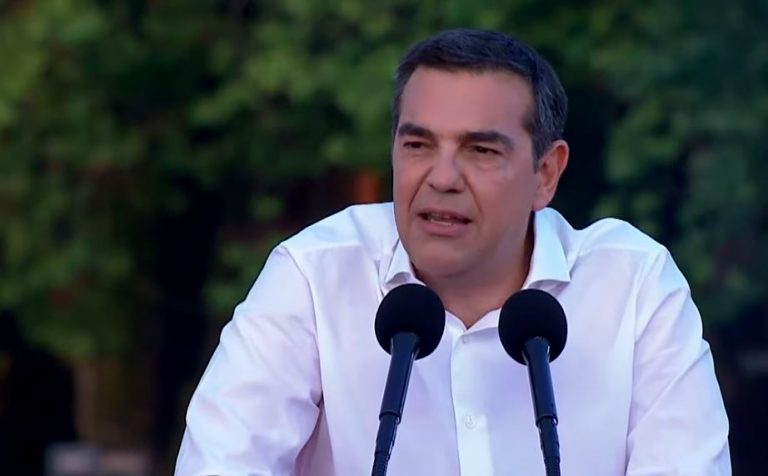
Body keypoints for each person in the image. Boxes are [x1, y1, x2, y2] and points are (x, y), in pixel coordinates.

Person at [175, 29, 730, 475]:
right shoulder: (314, 275)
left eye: (480, 150)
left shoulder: (634, 285)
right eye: (418, 145)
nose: (441, 178)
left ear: (545, 173)